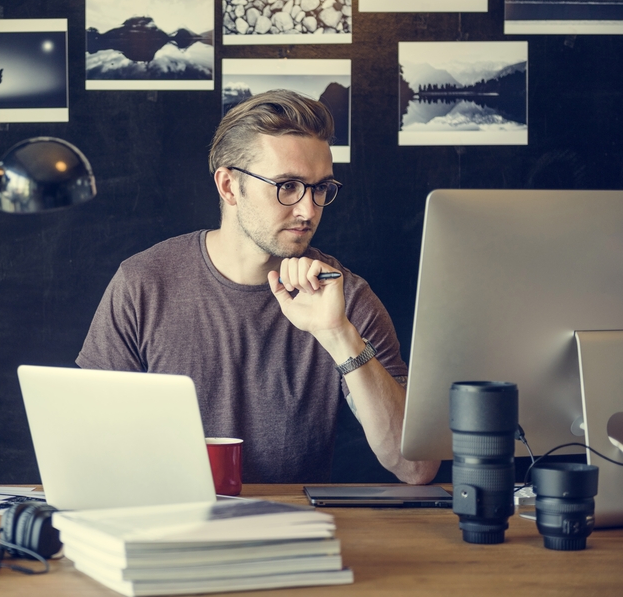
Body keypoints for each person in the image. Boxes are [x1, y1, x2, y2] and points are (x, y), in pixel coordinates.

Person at [77, 89, 440, 485]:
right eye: (287, 185)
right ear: (229, 186)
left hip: (293, 531)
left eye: (320, 188)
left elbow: (416, 467)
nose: (309, 209)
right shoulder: (143, 283)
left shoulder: (344, 297)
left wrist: (339, 336)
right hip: (167, 526)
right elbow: (87, 444)